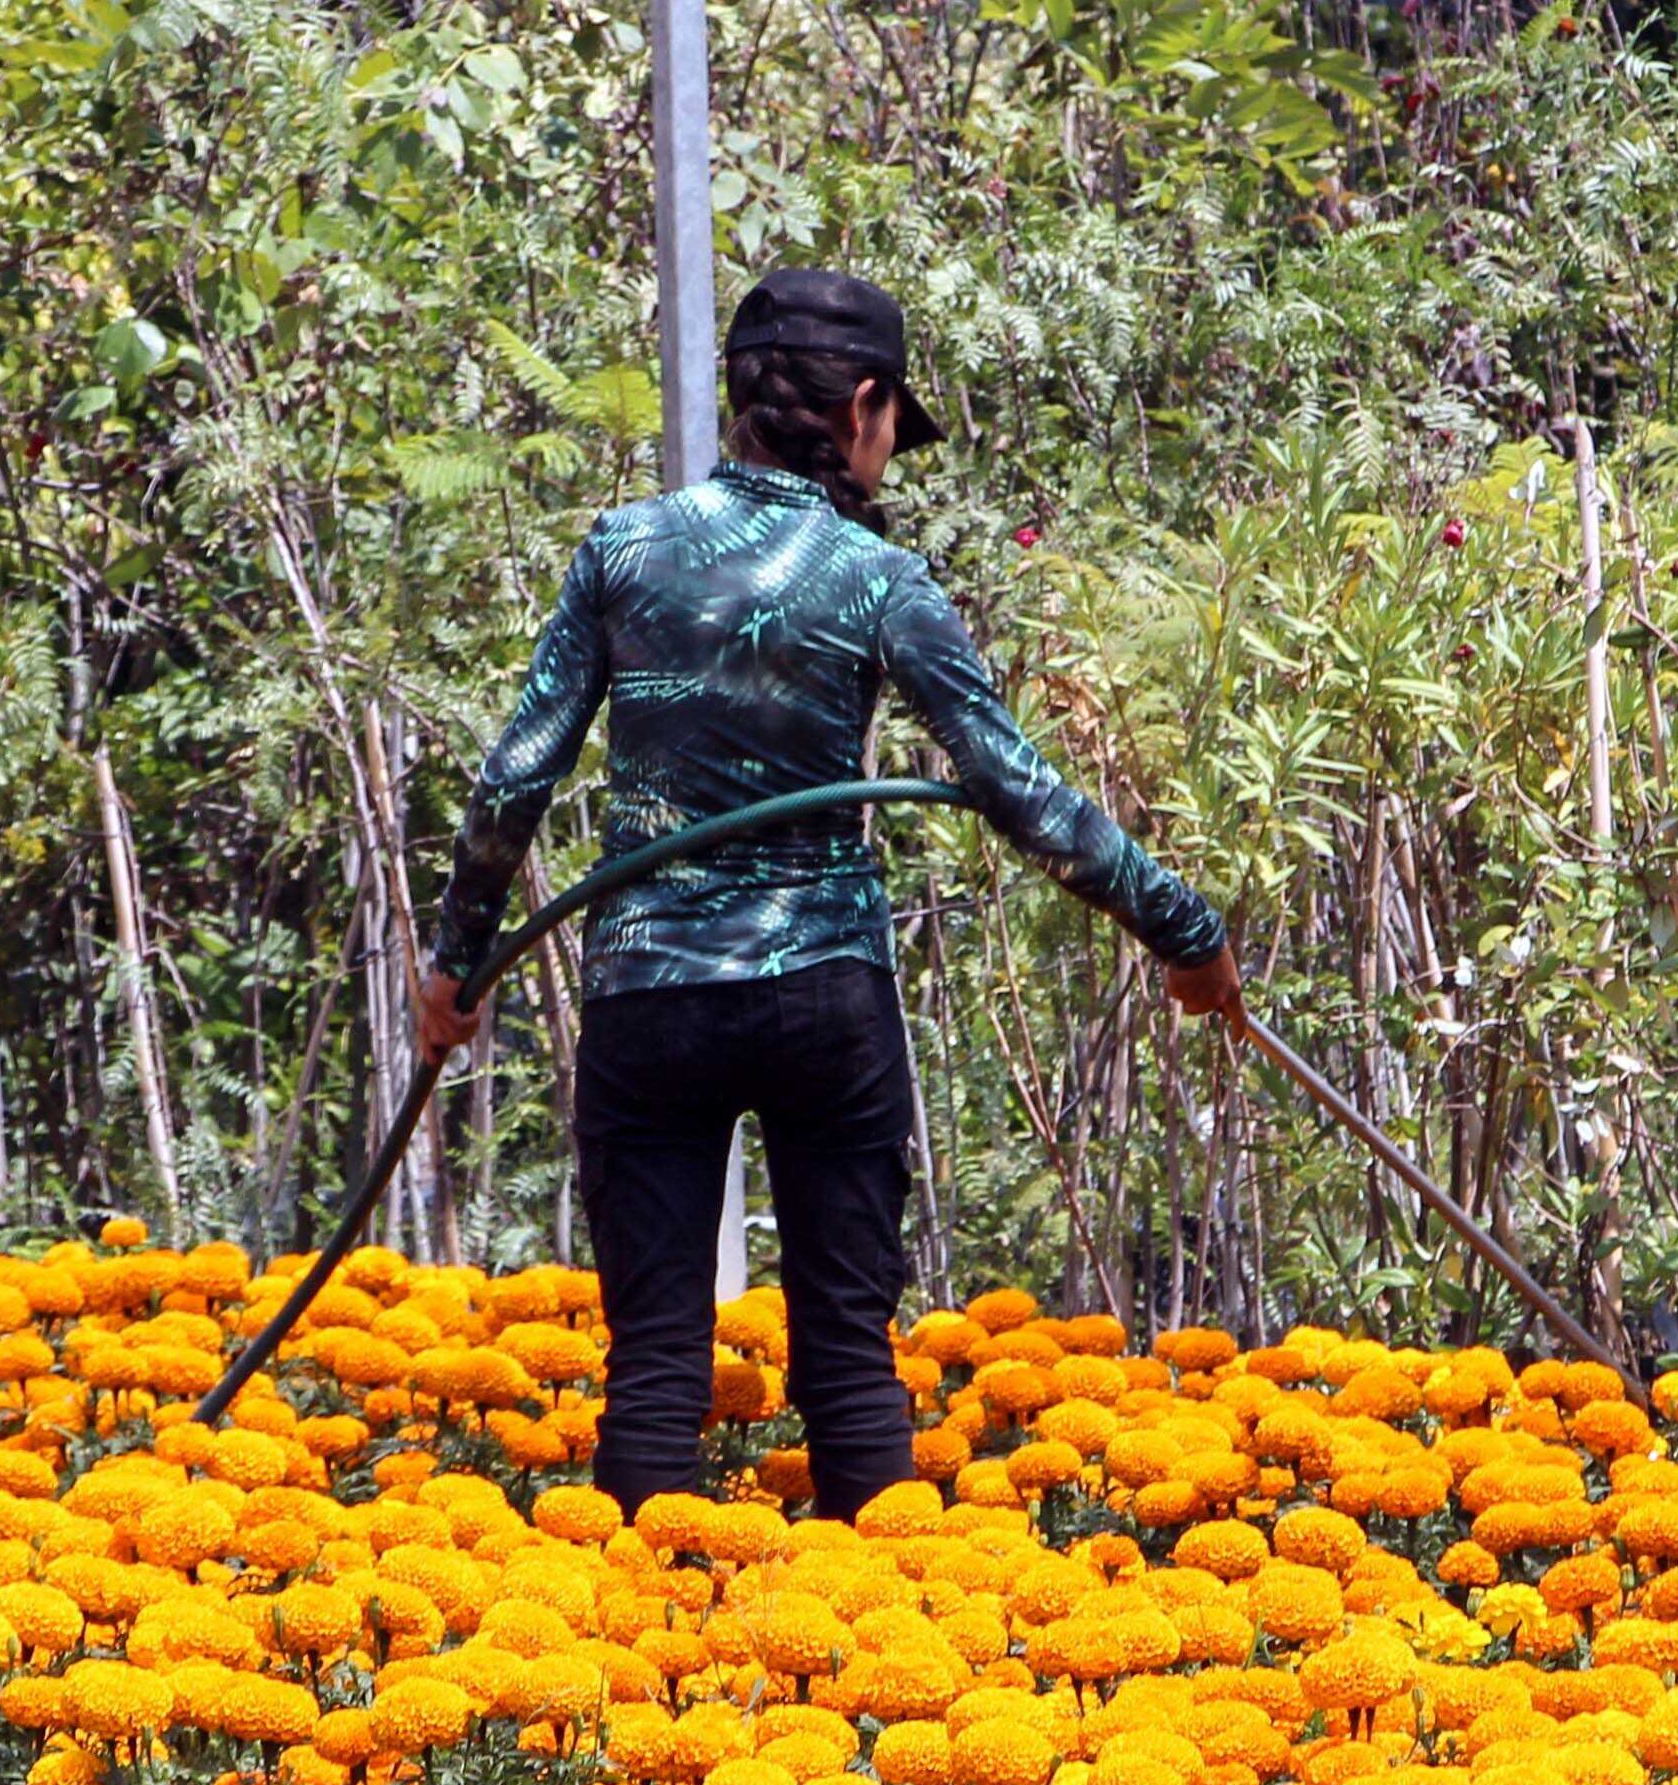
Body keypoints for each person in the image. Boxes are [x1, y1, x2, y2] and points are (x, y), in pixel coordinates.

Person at [417, 266, 1239, 1522]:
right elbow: (1018, 792)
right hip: (823, 1006)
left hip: (653, 1001)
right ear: (861, 404)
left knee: (652, 1377)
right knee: (850, 1368)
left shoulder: (623, 552)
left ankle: (627, 1683)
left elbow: (516, 776)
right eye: (894, 426)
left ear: (744, 400)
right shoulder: (875, 579)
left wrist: (454, 968)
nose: (891, 452)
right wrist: (1185, 933)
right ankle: (885, 1654)